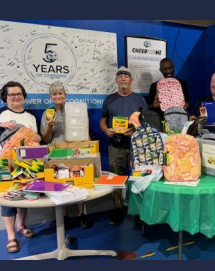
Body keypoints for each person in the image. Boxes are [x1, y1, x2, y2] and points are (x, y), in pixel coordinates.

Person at [0, 81, 39, 253]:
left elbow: (36, 138)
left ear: (23, 96)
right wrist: (0, 126)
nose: (16, 97)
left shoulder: (30, 116)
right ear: (5, 97)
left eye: (19, 94)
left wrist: (37, 138)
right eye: (12, 94)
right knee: (7, 196)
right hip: (3, 160)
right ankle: (11, 236)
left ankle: (21, 226)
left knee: (25, 193)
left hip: (26, 162)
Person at [39, 81, 91, 229]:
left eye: (60, 93)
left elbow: (85, 131)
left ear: (65, 95)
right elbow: (46, 139)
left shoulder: (76, 109)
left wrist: (86, 150)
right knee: (60, 183)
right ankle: (65, 216)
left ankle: (82, 214)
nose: (58, 96)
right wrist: (49, 126)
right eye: (54, 94)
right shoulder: (47, 114)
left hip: (75, 150)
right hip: (56, 152)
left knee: (80, 180)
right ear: (50, 97)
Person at [101, 67, 147, 225]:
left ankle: (137, 212)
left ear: (131, 80)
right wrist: (106, 130)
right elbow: (102, 120)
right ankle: (118, 209)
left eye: (126, 76)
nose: (123, 78)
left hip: (136, 146)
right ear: (116, 81)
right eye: (120, 76)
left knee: (138, 179)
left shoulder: (139, 100)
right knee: (117, 179)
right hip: (115, 146)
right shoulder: (109, 100)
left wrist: (136, 129)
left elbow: (146, 121)